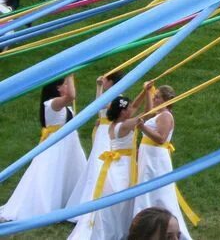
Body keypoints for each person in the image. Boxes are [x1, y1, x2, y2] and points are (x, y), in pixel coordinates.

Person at [0, 75, 87, 221]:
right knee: (51, 177)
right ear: (57, 88)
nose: (67, 86)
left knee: (69, 173)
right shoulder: (52, 103)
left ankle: (68, 202)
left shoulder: (63, 106)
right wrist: (71, 76)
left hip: (69, 146)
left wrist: (69, 79)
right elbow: (72, 95)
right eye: (64, 84)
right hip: (56, 147)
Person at [68, 92, 143, 239]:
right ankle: (117, 229)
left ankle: (120, 227)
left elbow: (134, 106)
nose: (131, 110)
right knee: (121, 197)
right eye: (128, 109)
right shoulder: (124, 125)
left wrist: (145, 91)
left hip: (117, 163)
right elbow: (145, 114)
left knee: (120, 197)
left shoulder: (114, 124)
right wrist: (148, 97)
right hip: (123, 164)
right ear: (123, 112)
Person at [131, 83, 196, 239]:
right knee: (147, 188)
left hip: (156, 159)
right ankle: (146, 224)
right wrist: (147, 91)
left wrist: (142, 128)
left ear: (166, 99)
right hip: (149, 156)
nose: (155, 98)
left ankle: (165, 226)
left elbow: (161, 138)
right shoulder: (158, 114)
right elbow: (147, 114)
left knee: (158, 190)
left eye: (158, 96)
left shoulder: (166, 115)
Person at [68, 72, 125, 221]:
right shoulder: (112, 95)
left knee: (99, 166)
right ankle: (86, 204)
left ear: (111, 82)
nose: (103, 81)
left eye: (106, 79)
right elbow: (100, 109)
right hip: (102, 132)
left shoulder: (118, 98)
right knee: (94, 166)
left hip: (107, 134)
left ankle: (95, 206)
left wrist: (99, 87)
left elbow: (100, 105)